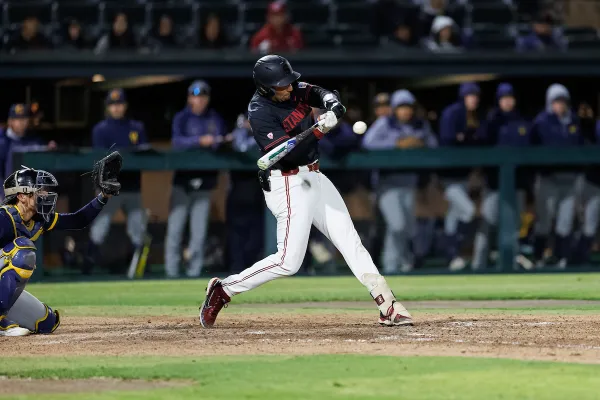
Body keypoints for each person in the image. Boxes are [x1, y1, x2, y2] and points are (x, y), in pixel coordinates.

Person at [199, 55, 413, 328]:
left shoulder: (293, 89)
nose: (288, 88)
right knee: (289, 262)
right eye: (281, 85)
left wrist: (332, 105)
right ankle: (225, 289)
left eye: (289, 82)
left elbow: (318, 92)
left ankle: (388, 305)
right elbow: (287, 152)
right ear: (265, 88)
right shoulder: (259, 111)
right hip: (287, 182)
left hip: (314, 176)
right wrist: (320, 129)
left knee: (350, 242)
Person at [0, 156, 121, 336]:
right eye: (38, 191)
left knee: (47, 323)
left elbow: (78, 220)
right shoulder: (5, 218)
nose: (44, 194)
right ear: (21, 196)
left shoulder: (38, 219)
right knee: (22, 251)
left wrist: (103, 196)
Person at [362, 90, 438, 274]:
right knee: (397, 225)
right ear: (395, 109)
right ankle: (395, 263)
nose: (406, 112)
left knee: (407, 228)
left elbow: (434, 145)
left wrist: (420, 143)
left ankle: (395, 265)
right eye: (402, 108)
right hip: (387, 184)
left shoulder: (419, 125)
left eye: (408, 108)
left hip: (409, 182)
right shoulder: (385, 123)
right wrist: (395, 143)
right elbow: (367, 144)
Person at [165, 81, 226, 278]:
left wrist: (214, 141)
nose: (198, 100)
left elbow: (219, 141)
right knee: (175, 230)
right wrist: (200, 141)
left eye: (202, 97)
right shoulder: (181, 118)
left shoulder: (214, 117)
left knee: (199, 234)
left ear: (207, 99)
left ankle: (194, 272)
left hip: (205, 182)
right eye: (195, 96)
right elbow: (176, 142)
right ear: (189, 98)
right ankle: (171, 273)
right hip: (182, 181)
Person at [472, 83, 533, 270]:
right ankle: (478, 264)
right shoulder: (491, 121)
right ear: (499, 101)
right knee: (487, 224)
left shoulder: (523, 122)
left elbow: (530, 151)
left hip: (517, 183)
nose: (507, 101)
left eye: (510, 97)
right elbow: (479, 142)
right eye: (503, 98)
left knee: (514, 227)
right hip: (494, 183)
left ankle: (511, 265)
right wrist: (491, 120)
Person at [87, 89, 148, 273]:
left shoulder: (136, 127)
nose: (116, 108)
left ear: (125, 106)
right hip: (109, 188)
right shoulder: (100, 130)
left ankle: (139, 269)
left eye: (119, 104)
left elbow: (145, 154)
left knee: (137, 229)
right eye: (113, 105)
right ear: (108, 107)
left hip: (132, 186)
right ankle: (87, 266)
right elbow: (99, 160)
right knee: (100, 227)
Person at [531, 84, 583, 269]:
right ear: (549, 102)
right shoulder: (542, 121)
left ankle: (562, 259)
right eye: (556, 101)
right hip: (548, 177)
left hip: (569, 178)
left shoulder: (574, 121)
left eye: (563, 101)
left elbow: (581, 146)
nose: (560, 105)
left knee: (565, 222)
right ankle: (538, 258)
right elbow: (533, 146)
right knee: (544, 220)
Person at [439, 82, 486, 271]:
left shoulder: (474, 115)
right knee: (467, 211)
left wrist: (466, 137)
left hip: (462, 175)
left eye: (475, 96)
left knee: (454, 216)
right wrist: (468, 137)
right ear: (463, 97)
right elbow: (448, 138)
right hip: (448, 175)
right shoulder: (454, 112)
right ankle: (453, 252)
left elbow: (479, 139)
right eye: (470, 95)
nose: (473, 99)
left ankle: (452, 257)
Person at [227, 113, 264, 273]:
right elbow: (240, 147)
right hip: (237, 192)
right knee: (236, 235)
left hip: (258, 193)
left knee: (256, 236)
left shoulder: (264, 134)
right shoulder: (239, 133)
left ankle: (253, 269)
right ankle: (235, 268)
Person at [0, 104, 57, 194]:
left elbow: (45, 167)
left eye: (24, 119)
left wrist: (48, 150)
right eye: (18, 120)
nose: (22, 123)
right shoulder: (3, 142)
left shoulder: (34, 140)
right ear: (10, 121)